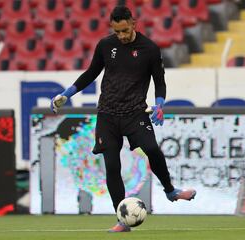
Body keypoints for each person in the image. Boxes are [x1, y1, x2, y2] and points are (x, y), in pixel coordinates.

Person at [50, 6, 196, 233]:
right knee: (112, 166)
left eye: (125, 30)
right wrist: (66, 94)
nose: (122, 36)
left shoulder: (149, 48)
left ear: (133, 23)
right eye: (117, 32)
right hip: (107, 114)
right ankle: (122, 220)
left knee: (152, 149)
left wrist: (159, 104)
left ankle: (170, 190)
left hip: (135, 112)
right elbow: (90, 73)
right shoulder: (106, 45)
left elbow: (159, 80)